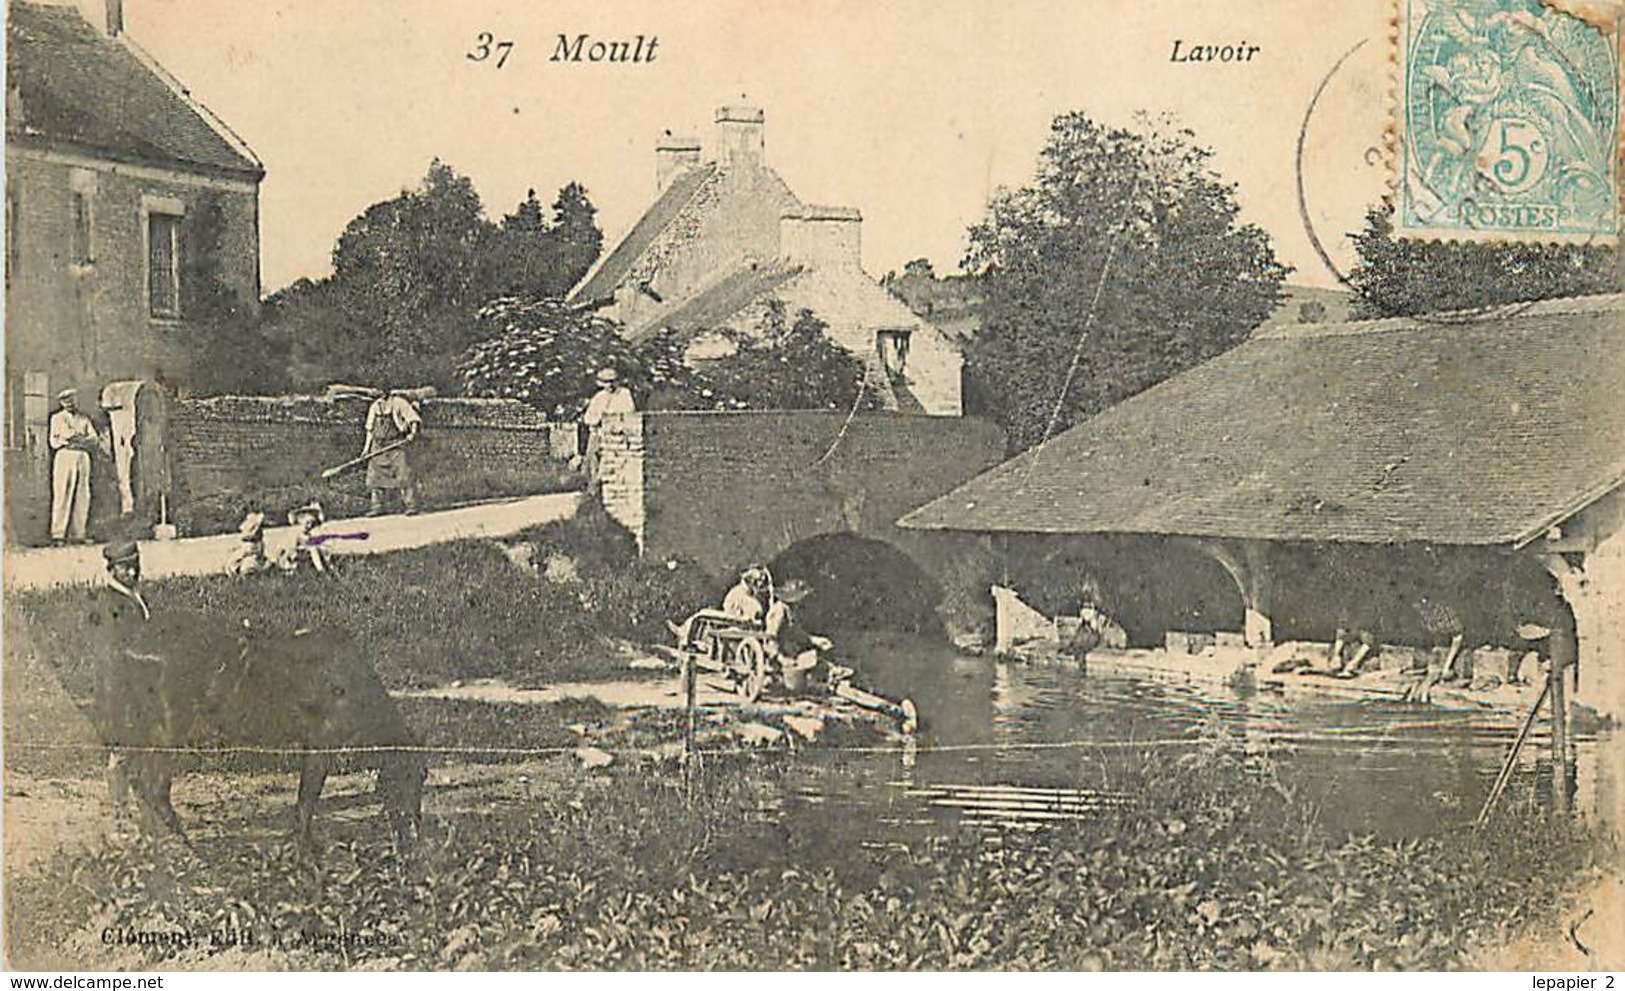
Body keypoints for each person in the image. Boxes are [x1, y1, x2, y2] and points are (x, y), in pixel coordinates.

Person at [764, 579, 841, 694]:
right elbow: (770, 639)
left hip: (792, 653)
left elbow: (797, 634)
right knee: (800, 681)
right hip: (780, 660)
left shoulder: (790, 611)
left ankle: (833, 677)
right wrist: (781, 658)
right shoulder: (779, 611)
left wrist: (814, 640)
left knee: (819, 661)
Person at [48, 388, 102, 545]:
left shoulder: (84, 419)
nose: (69, 403)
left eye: (72, 400)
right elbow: (54, 441)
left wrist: (78, 439)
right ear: (61, 403)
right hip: (65, 456)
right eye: (66, 401)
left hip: (82, 456)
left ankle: (79, 533)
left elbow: (94, 439)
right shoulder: (56, 419)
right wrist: (71, 438)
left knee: (82, 494)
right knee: (62, 493)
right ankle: (58, 534)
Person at [362, 390, 422, 516]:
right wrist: (366, 449)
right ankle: (377, 507)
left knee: (403, 474)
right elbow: (370, 430)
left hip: (395, 444)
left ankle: (411, 505)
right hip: (378, 446)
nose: (379, 394)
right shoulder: (375, 406)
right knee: (375, 477)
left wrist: (412, 433)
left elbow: (413, 418)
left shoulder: (398, 403)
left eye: (382, 391)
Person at [578, 367, 636, 482]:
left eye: (612, 381)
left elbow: (629, 412)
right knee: (593, 462)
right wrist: (598, 419)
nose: (610, 385)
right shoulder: (599, 397)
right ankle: (593, 488)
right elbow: (588, 418)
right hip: (598, 434)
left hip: (618, 434)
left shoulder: (624, 394)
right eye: (606, 382)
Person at [276, 502, 331, 575]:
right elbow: (289, 546)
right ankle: (320, 570)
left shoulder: (312, 532)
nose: (309, 525)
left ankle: (323, 569)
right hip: (294, 554)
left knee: (316, 548)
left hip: (305, 553)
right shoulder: (295, 533)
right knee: (312, 548)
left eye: (311, 522)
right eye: (306, 522)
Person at [227, 511, 271, 576]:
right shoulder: (251, 545)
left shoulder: (254, 543)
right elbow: (253, 553)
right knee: (250, 563)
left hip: (252, 560)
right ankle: (248, 572)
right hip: (249, 562)